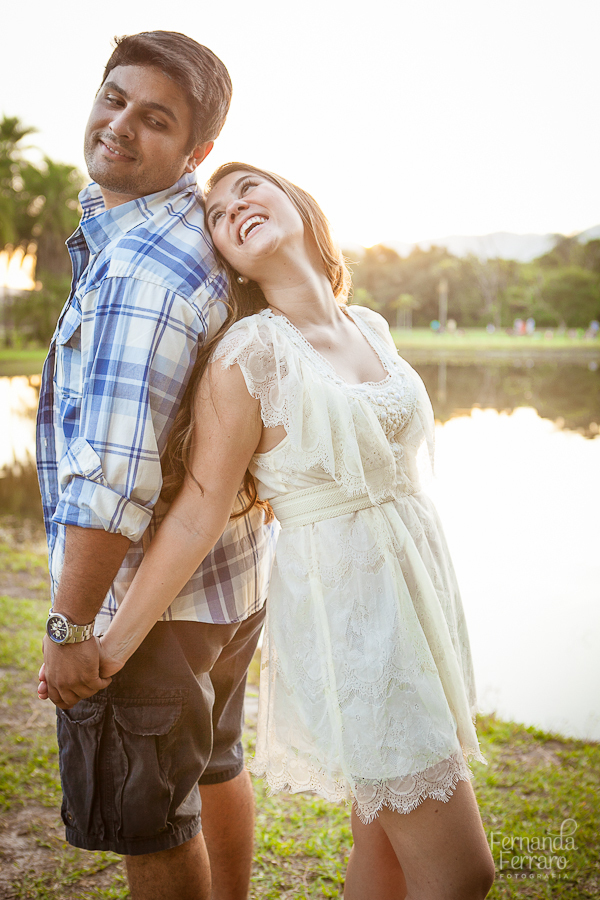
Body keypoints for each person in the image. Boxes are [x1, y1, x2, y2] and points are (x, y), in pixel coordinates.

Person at [66, 162, 495, 899]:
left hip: (419, 604)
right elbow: (199, 510)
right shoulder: (251, 353)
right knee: (463, 875)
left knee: (387, 856)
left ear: (296, 201)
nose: (233, 208)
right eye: (218, 213)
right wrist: (106, 645)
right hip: (358, 626)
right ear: (225, 258)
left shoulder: (369, 325)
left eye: (249, 189)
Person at [36, 36, 277, 900]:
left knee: (153, 823)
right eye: (113, 98)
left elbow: (113, 480)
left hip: (153, 607)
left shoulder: (143, 272)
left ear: (197, 150)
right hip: (230, 587)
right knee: (211, 766)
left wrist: (72, 633)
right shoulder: (183, 227)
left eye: (155, 118)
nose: (119, 125)